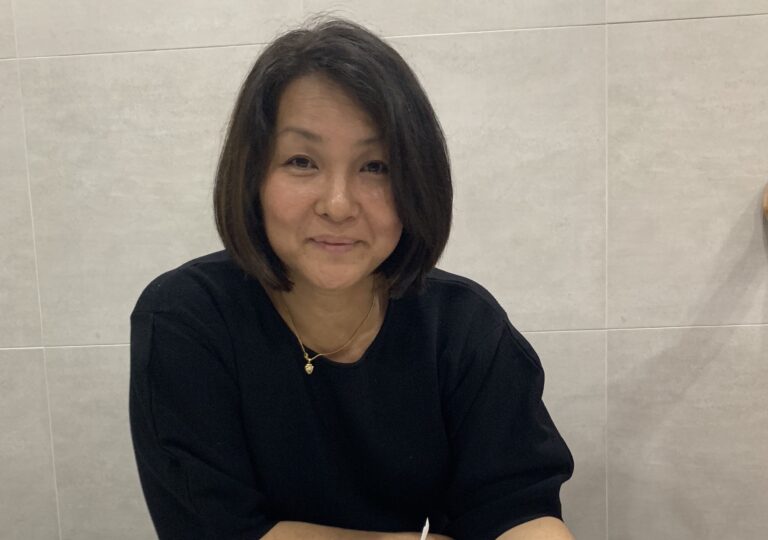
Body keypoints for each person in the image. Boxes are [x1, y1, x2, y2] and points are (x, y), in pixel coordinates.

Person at [129, 13, 575, 540]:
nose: (338, 205)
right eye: (301, 161)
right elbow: (217, 529)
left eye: (376, 166)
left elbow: (518, 509)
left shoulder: (462, 326)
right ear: (252, 176)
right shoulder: (188, 318)